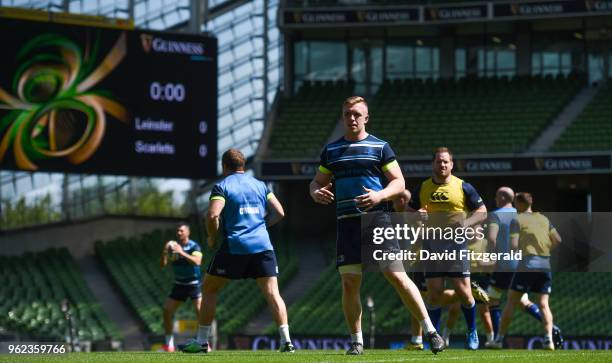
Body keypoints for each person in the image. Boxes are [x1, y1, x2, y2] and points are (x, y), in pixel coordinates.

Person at [309, 96, 444, 355]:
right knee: (349, 282)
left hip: (377, 220)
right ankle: (356, 342)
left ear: (366, 118)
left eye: (357, 114)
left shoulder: (380, 147)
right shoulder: (331, 151)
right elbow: (316, 182)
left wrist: (379, 195)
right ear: (343, 116)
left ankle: (431, 332)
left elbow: (399, 182)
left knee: (396, 274)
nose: (352, 118)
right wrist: (315, 192)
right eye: (348, 113)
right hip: (346, 223)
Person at [182, 149, 295, 353]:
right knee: (272, 293)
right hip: (263, 245)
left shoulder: (222, 186)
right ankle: (286, 341)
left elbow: (212, 215)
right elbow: (279, 212)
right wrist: (260, 227)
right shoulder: (260, 185)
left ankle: (201, 342)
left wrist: (212, 237)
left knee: (209, 289)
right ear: (243, 165)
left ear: (224, 166)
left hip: (236, 245)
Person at [408, 147, 487, 350]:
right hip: (431, 245)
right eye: (438, 162)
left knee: (464, 292)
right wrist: (417, 215)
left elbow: (482, 211)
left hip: (456, 245)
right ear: (433, 164)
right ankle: (436, 337)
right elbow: (408, 213)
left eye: (445, 162)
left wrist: (466, 224)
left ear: (451, 164)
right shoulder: (422, 188)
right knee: (434, 294)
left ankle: (472, 331)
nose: (442, 165)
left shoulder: (463, 187)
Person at [485, 187, 563, 348]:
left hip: (514, 264)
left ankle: (498, 339)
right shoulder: (542, 218)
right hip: (544, 264)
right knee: (539, 303)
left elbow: (499, 241)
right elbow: (558, 240)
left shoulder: (511, 218)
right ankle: (549, 335)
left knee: (503, 301)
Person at [159, 223, 203, 352]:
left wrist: (181, 252)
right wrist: (165, 252)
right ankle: (169, 344)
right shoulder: (172, 246)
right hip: (179, 284)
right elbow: (162, 264)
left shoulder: (194, 246)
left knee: (200, 311)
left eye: (182, 231)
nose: (179, 233)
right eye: (178, 231)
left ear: (188, 232)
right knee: (167, 311)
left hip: (194, 284)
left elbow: (197, 262)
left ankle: (203, 342)